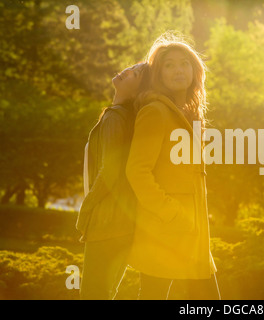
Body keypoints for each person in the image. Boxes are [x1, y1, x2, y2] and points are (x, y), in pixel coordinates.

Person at [126, 33, 220, 300]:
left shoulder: (189, 116)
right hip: (164, 232)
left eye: (185, 63)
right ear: (158, 73)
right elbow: (137, 171)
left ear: (195, 71)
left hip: (193, 236)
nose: (178, 70)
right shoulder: (155, 112)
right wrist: (173, 214)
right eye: (169, 65)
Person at [76, 62, 151, 300]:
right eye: (130, 68)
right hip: (123, 224)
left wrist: (86, 208)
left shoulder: (115, 118)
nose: (126, 71)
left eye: (135, 74)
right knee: (104, 294)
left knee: (93, 294)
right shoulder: (126, 118)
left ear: (139, 90)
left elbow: (110, 170)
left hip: (107, 221)